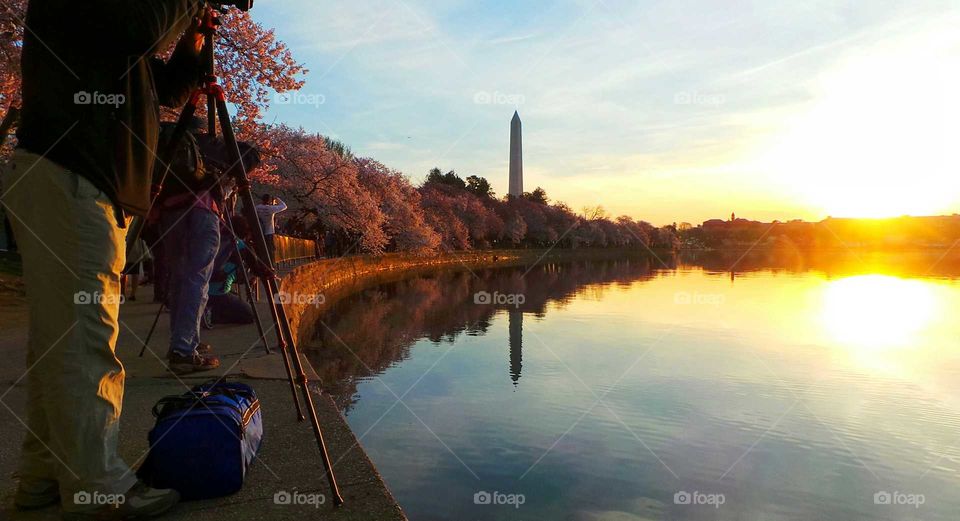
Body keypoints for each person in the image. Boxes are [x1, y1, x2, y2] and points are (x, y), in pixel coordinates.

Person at [1, 1, 207, 519]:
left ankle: (43, 475)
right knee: (87, 338)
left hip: (86, 180)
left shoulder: (108, 34)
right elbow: (141, 26)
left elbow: (163, 90)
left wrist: (192, 42)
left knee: (62, 339)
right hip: (72, 173)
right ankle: (99, 488)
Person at [255, 193, 286, 263]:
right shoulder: (271, 208)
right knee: (270, 249)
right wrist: (277, 199)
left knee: (261, 249)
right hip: (269, 232)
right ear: (269, 200)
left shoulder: (257, 207)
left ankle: (261, 263)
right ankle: (270, 264)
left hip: (259, 231)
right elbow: (284, 206)